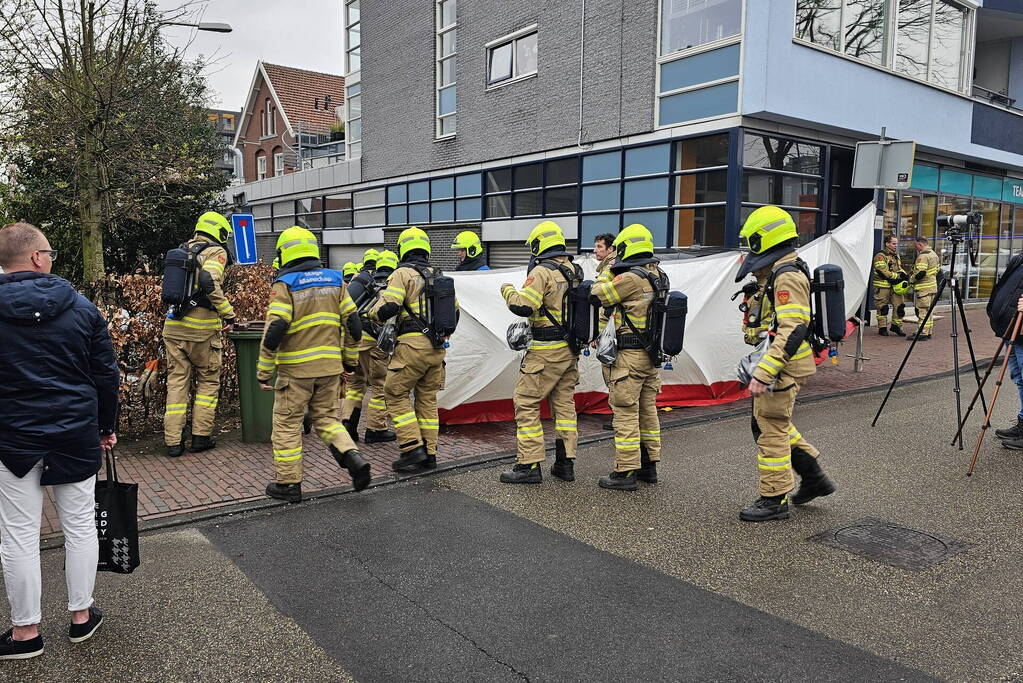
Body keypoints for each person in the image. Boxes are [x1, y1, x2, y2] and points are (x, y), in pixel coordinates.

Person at [0, 222, 117, 658]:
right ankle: (81, 617)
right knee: (81, 525)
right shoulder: (83, 309)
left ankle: (25, 634)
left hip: (12, 439)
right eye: (49, 252)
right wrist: (106, 426)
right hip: (75, 432)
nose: (51, 260)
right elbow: (106, 376)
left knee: (17, 535)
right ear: (35, 257)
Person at [734, 206, 836, 522]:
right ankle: (814, 478)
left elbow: (793, 327)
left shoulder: (787, 274)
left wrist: (765, 371)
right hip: (786, 361)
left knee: (770, 426)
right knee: (771, 421)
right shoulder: (782, 268)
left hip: (784, 364)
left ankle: (774, 499)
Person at [256, 227, 370, 502]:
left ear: (285, 253)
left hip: (295, 373)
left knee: (286, 424)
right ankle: (352, 456)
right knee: (327, 420)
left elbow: (276, 328)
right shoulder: (335, 279)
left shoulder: (285, 283)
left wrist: (263, 370)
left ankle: (289, 484)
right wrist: (350, 361)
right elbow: (354, 325)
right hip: (330, 370)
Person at [498, 221, 581, 484]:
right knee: (564, 404)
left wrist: (508, 291)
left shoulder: (543, 272)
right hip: (569, 350)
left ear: (538, 244)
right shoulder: (572, 270)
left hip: (545, 351)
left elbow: (525, 306)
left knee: (526, 402)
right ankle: (565, 463)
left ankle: (529, 465)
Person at [591, 224, 664, 490]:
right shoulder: (658, 274)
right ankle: (649, 466)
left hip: (629, 357)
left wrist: (608, 270)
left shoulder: (631, 277)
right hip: (650, 355)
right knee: (647, 411)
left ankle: (625, 472)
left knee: (625, 412)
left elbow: (598, 295)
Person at [371, 227, 449, 471]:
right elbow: (453, 313)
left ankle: (412, 448)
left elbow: (389, 307)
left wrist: (372, 311)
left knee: (394, 393)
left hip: (411, 348)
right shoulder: (439, 275)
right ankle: (430, 454)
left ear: (402, 249)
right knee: (427, 400)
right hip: (437, 350)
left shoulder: (402, 273)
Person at [162, 211, 236, 457]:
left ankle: (173, 442)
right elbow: (208, 279)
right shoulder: (216, 252)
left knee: (177, 383)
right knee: (208, 381)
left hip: (173, 328)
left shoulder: (182, 251)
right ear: (220, 232)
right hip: (201, 332)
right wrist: (228, 313)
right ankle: (200, 438)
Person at [341, 249, 398, 444]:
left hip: (355, 340)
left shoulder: (366, 281)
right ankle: (376, 429)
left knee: (355, 385)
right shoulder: (391, 285)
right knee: (379, 385)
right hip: (375, 343)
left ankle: (348, 425)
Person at [986, 246, 1023, 448]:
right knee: (1019, 378)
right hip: (1012, 329)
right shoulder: (1020, 259)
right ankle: (1022, 423)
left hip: (1020, 328)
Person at [872, 234, 908, 336]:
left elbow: (899, 268)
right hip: (883, 286)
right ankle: (882, 328)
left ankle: (896, 326)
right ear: (887, 244)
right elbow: (882, 270)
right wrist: (897, 276)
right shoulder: (880, 256)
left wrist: (905, 275)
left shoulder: (896, 255)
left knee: (900, 307)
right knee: (882, 308)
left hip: (895, 286)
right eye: (893, 243)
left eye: (896, 243)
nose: (896, 245)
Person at [908, 236, 940, 342]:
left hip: (923, 289)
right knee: (929, 311)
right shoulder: (934, 254)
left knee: (922, 312)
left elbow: (921, 272)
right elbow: (937, 270)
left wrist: (911, 279)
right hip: (932, 287)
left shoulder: (923, 256)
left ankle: (922, 333)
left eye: (916, 245)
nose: (916, 248)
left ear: (920, 244)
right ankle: (928, 331)